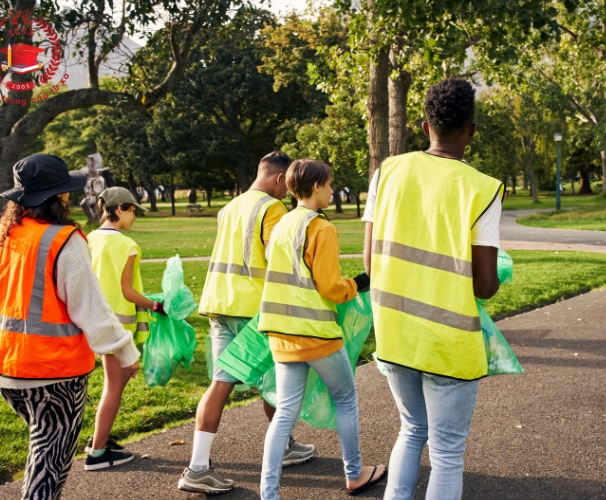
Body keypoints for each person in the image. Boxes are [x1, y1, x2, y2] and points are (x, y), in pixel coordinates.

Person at [362, 78, 504, 500]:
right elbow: (485, 285)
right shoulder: (482, 188)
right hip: (447, 339)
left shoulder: (387, 171)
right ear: (472, 130)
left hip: (395, 331)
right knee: (446, 452)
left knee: (411, 429)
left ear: (425, 127)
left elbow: (371, 262)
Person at [0, 154, 141, 500]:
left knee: (43, 449)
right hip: (53, 375)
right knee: (49, 467)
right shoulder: (64, 240)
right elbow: (91, 308)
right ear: (60, 196)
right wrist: (126, 352)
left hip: (3, 367)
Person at [178, 151, 316, 494]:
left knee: (221, 384)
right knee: (275, 378)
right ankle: (281, 448)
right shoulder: (271, 208)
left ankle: (198, 466)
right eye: (287, 185)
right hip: (252, 308)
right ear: (279, 178)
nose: (288, 193)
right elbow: (278, 256)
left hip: (219, 303)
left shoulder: (231, 207)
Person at [258, 159, 387, 499]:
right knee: (345, 399)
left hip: (280, 333)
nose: (332, 191)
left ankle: (268, 492)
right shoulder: (322, 228)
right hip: (317, 334)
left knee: (285, 413)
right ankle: (355, 474)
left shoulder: (283, 224)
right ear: (316, 187)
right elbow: (330, 288)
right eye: (329, 185)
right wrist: (358, 283)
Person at [84, 186, 163, 470]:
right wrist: (156, 305)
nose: (135, 218)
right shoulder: (127, 245)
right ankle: (96, 453)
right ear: (119, 209)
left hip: (94, 322)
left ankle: (99, 437)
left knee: (115, 382)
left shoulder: (90, 238)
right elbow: (127, 291)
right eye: (132, 211)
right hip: (117, 328)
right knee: (114, 387)